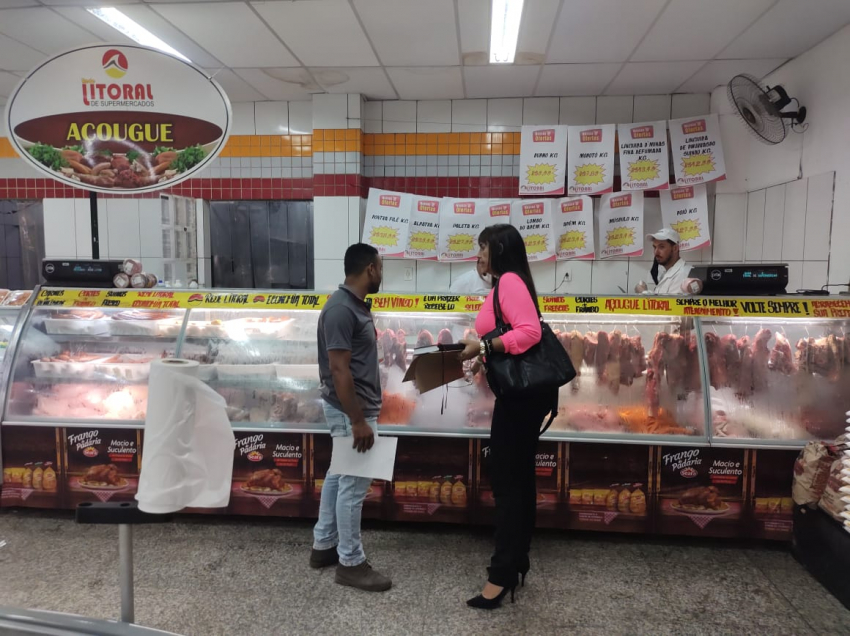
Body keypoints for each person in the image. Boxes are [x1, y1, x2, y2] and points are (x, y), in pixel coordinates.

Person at [457, 224, 557, 610]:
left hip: (520, 399)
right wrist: (482, 356)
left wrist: (482, 346)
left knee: (507, 485)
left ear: (499, 250)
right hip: (521, 396)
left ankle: (500, 575)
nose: (479, 255)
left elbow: (529, 333)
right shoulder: (507, 283)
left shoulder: (510, 282)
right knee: (519, 481)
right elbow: (509, 334)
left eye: (483, 247)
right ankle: (517, 561)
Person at [309, 243, 392, 593]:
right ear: (370, 269)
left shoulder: (352, 306)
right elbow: (339, 369)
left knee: (338, 475)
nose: (381, 274)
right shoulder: (342, 309)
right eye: (381, 268)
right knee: (354, 485)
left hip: (353, 408)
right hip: (351, 411)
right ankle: (351, 563)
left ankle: (324, 544)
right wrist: (358, 420)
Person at [638, 228, 693, 295]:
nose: (656, 252)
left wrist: (643, 292)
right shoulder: (667, 272)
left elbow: (669, 301)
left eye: (661, 247)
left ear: (675, 248)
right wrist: (645, 292)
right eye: (655, 247)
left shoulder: (684, 274)